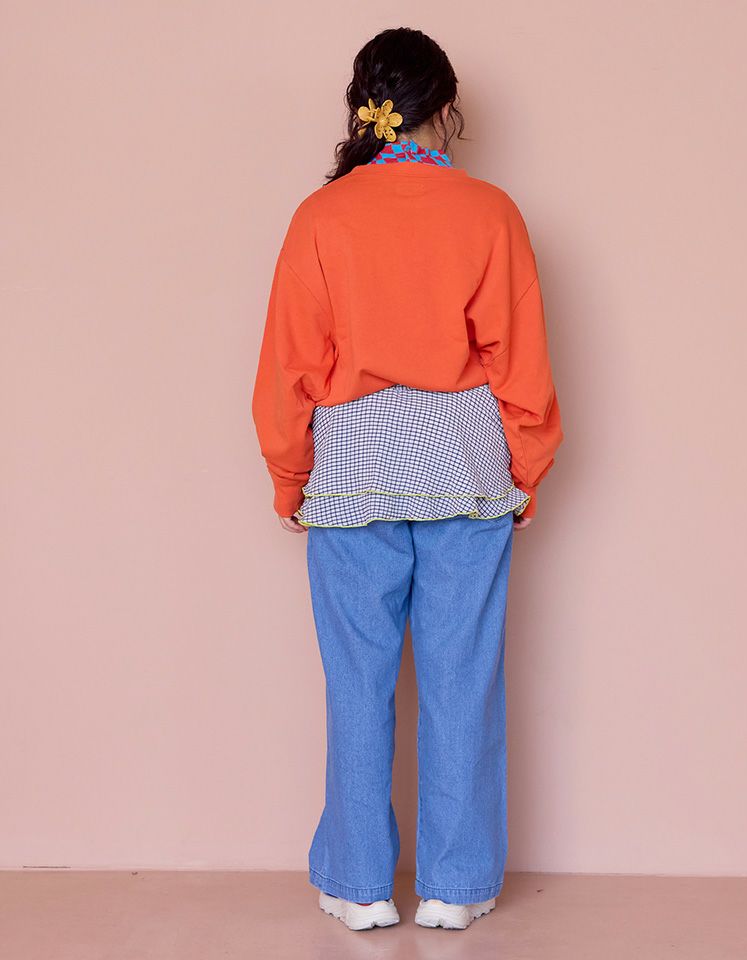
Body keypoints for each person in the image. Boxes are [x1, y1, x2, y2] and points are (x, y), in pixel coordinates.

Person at [251, 27, 563, 932]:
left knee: (357, 681)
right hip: (465, 465)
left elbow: (289, 367)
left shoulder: (323, 217)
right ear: (446, 108)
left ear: (367, 109)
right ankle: (456, 887)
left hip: (353, 469)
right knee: (464, 677)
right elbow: (522, 364)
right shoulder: (490, 212)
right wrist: (526, 469)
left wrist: (289, 478)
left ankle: (357, 886)